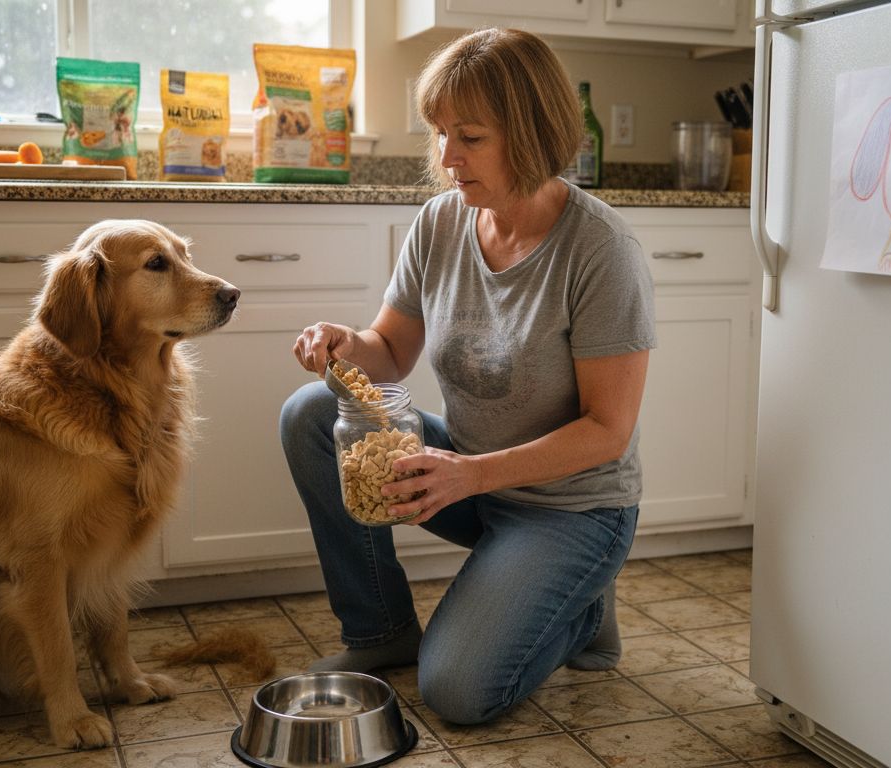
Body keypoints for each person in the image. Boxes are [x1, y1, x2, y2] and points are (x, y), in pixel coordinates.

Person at [278, 27, 656, 726]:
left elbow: (608, 431)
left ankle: (581, 607)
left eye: (471, 138)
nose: (447, 158)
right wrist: (343, 346)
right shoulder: (442, 222)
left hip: (574, 508)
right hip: (474, 475)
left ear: (533, 133)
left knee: (457, 692)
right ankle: (379, 629)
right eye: (441, 134)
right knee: (310, 413)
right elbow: (388, 351)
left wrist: (469, 476)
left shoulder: (601, 251)